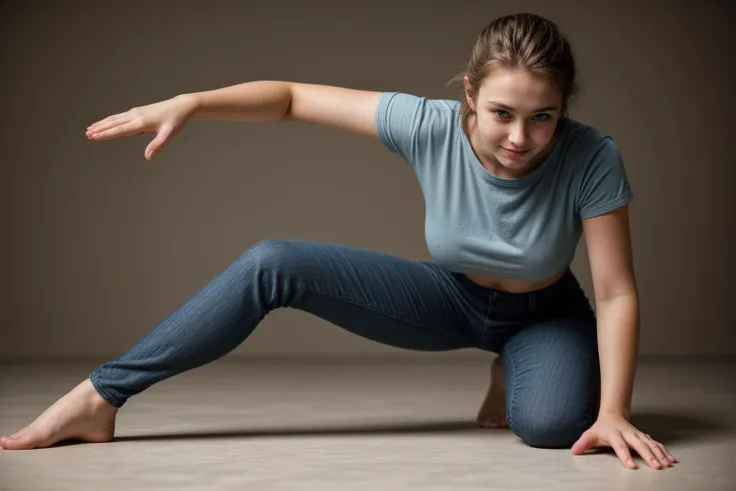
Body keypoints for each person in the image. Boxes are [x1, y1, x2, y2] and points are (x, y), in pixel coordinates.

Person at [0, 12, 676, 470]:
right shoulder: (428, 125)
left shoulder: (590, 157)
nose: (519, 139)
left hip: (544, 312)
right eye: (501, 113)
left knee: (556, 427)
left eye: (543, 118)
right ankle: (100, 398)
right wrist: (194, 102)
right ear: (470, 95)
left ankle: (516, 360)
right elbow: (292, 97)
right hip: (451, 296)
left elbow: (615, 292)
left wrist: (614, 409)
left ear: (564, 111)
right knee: (273, 262)